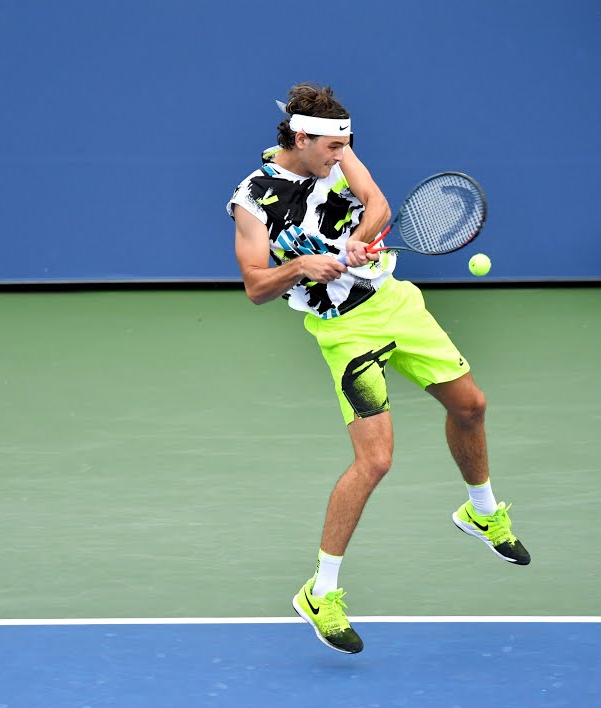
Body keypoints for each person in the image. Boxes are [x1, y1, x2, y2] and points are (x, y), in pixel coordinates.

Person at [225, 82, 531, 655]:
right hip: (346, 333)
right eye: (332, 148)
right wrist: (302, 268)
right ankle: (321, 591)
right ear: (299, 137)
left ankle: (481, 512)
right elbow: (255, 287)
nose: (342, 155)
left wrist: (355, 245)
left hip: (395, 303)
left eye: (347, 145)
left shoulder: (338, 150)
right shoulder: (252, 201)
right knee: (376, 460)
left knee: (471, 405)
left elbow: (381, 206)